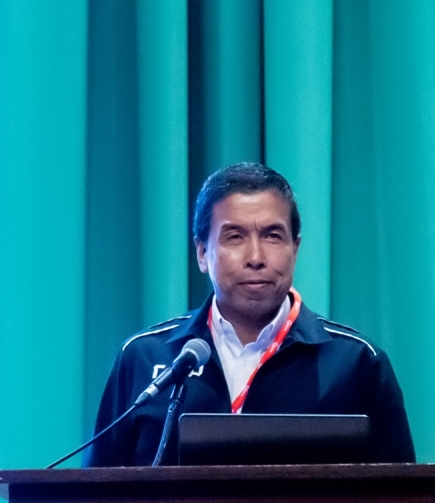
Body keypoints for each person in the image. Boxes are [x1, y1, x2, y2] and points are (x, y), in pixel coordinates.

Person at [85, 162, 415, 467]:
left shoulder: (356, 363)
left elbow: (404, 501)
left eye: (272, 236)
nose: (255, 257)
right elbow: (94, 499)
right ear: (202, 253)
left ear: (295, 248)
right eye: (235, 237)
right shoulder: (144, 358)